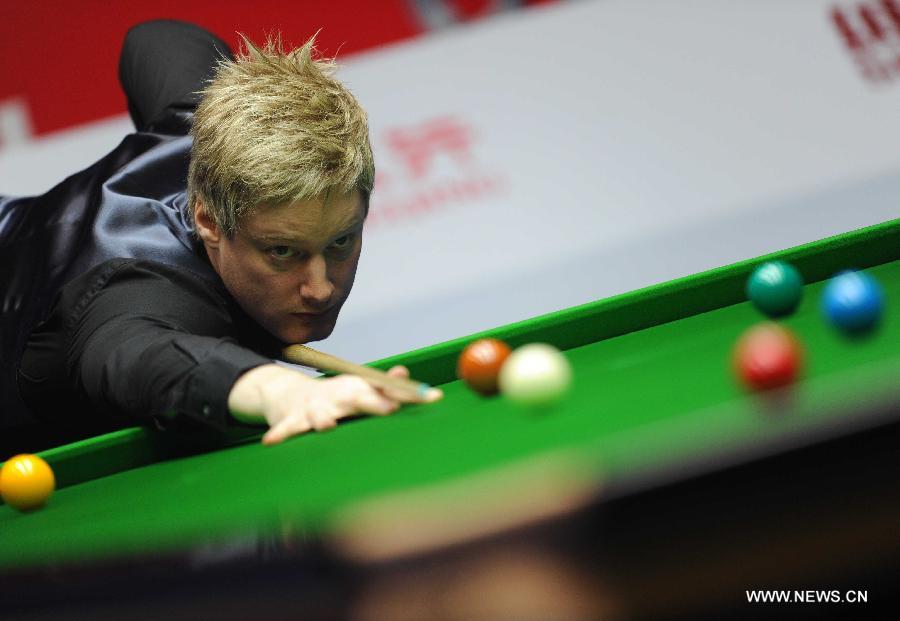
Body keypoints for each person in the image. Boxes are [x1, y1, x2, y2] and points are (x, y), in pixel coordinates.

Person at [0, 20, 441, 457]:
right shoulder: (137, 295)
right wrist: (277, 391)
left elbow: (155, 38)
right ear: (208, 222)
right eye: (282, 252)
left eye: (340, 242)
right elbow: (142, 357)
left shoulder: (210, 125)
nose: (321, 288)